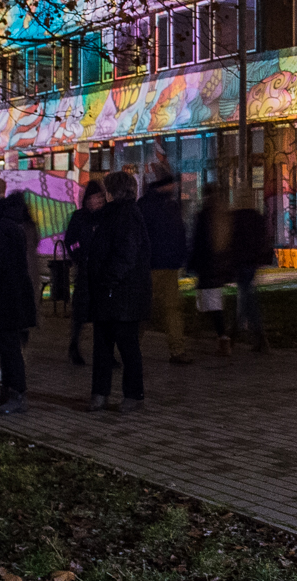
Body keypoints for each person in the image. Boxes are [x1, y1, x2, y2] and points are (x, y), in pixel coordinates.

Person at [86, 170, 152, 412]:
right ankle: (100, 393)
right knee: (103, 347)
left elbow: (126, 254)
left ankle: (133, 395)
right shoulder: (112, 215)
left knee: (127, 347)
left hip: (122, 294)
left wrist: (108, 279)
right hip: (111, 294)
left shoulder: (126, 215)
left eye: (106, 191)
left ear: (113, 192)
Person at [0, 180, 37, 414]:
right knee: (6, 346)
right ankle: (8, 392)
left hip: (5, 298)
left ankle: (16, 394)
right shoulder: (9, 223)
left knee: (10, 348)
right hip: (10, 297)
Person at [137, 159, 191, 365]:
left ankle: (177, 349)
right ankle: (174, 349)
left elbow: (178, 233)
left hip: (163, 264)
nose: (174, 186)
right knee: (151, 309)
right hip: (155, 266)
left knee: (168, 309)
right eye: (171, 183)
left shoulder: (160, 205)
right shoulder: (158, 206)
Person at [62, 179, 107, 365]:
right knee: (81, 312)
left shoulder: (107, 217)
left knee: (103, 313)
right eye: (92, 198)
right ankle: (74, 346)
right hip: (85, 270)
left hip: (103, 271)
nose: (95, 202)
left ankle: (104, 352)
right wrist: (78, 255)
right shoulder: (80, 217)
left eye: (99, 198)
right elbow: (70, 240)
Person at [191, 184, 236, 356]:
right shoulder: (222, 215)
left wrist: (192, 263)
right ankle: (217, 337)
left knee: (210, 304)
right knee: (212, 303)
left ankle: (222, 340)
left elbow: (198, 243)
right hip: (218, 268)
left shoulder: (204, 216)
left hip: (207, 267)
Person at [229, 187, 274, 353]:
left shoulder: (236, 218)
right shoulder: (257, 217)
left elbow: (231, 241)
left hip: (240, 262)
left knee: (246, 297)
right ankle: (254, 337)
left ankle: (236, 334)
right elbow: (264, 239)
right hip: (252, 263)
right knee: (246, 295)